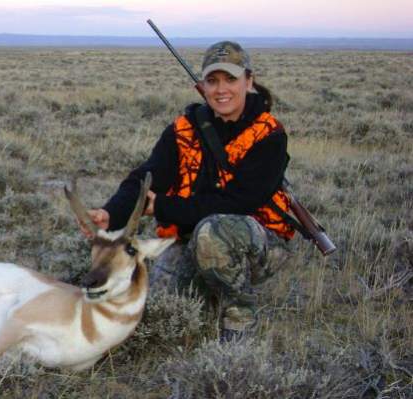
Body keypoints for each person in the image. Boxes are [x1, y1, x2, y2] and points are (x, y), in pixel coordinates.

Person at [82, 41, 295, 341]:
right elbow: (147, 176)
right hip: (189, 236)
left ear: (248, 81)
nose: (221, 89)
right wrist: (110, 213)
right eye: (213, 81)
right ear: (202, 87)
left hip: (257, 243)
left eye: (230, 79)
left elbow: (240, 202)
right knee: (155, 302)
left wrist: (164, 208)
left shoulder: (269, 133)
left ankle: (238, 317)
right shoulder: (183, 129)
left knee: (214, 231)